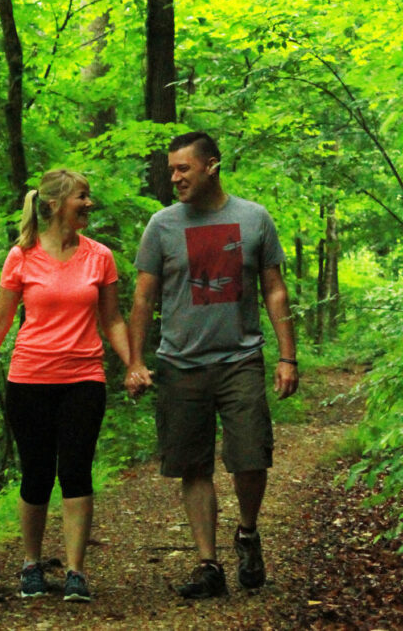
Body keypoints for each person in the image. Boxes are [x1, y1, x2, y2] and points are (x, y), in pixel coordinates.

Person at [124, 131, 299, 599]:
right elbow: (142, 297)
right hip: (180, 363)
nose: (175, 178)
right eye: (171, 170)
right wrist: (134, 360)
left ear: (212, 166)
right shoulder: (161, 226)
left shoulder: (254, 218)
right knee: (192, 465)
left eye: (183, 168)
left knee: (250, 456)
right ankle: (208, 564)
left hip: (240, 357)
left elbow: (275, 289)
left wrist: (287, 356)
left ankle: (247, 531)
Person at [0, 168, 131, 602]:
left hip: (84, 378)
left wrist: (133, 363)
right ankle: (31, 565)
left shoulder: (100, 257)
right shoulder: (21, 256)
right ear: (56, 203)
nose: (89, 204)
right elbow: (1, 318)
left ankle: (76, 572)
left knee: (75, 470)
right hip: (29, 378)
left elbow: (112, 319)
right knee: (36, 474)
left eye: (89, 196)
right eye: (82, 197)